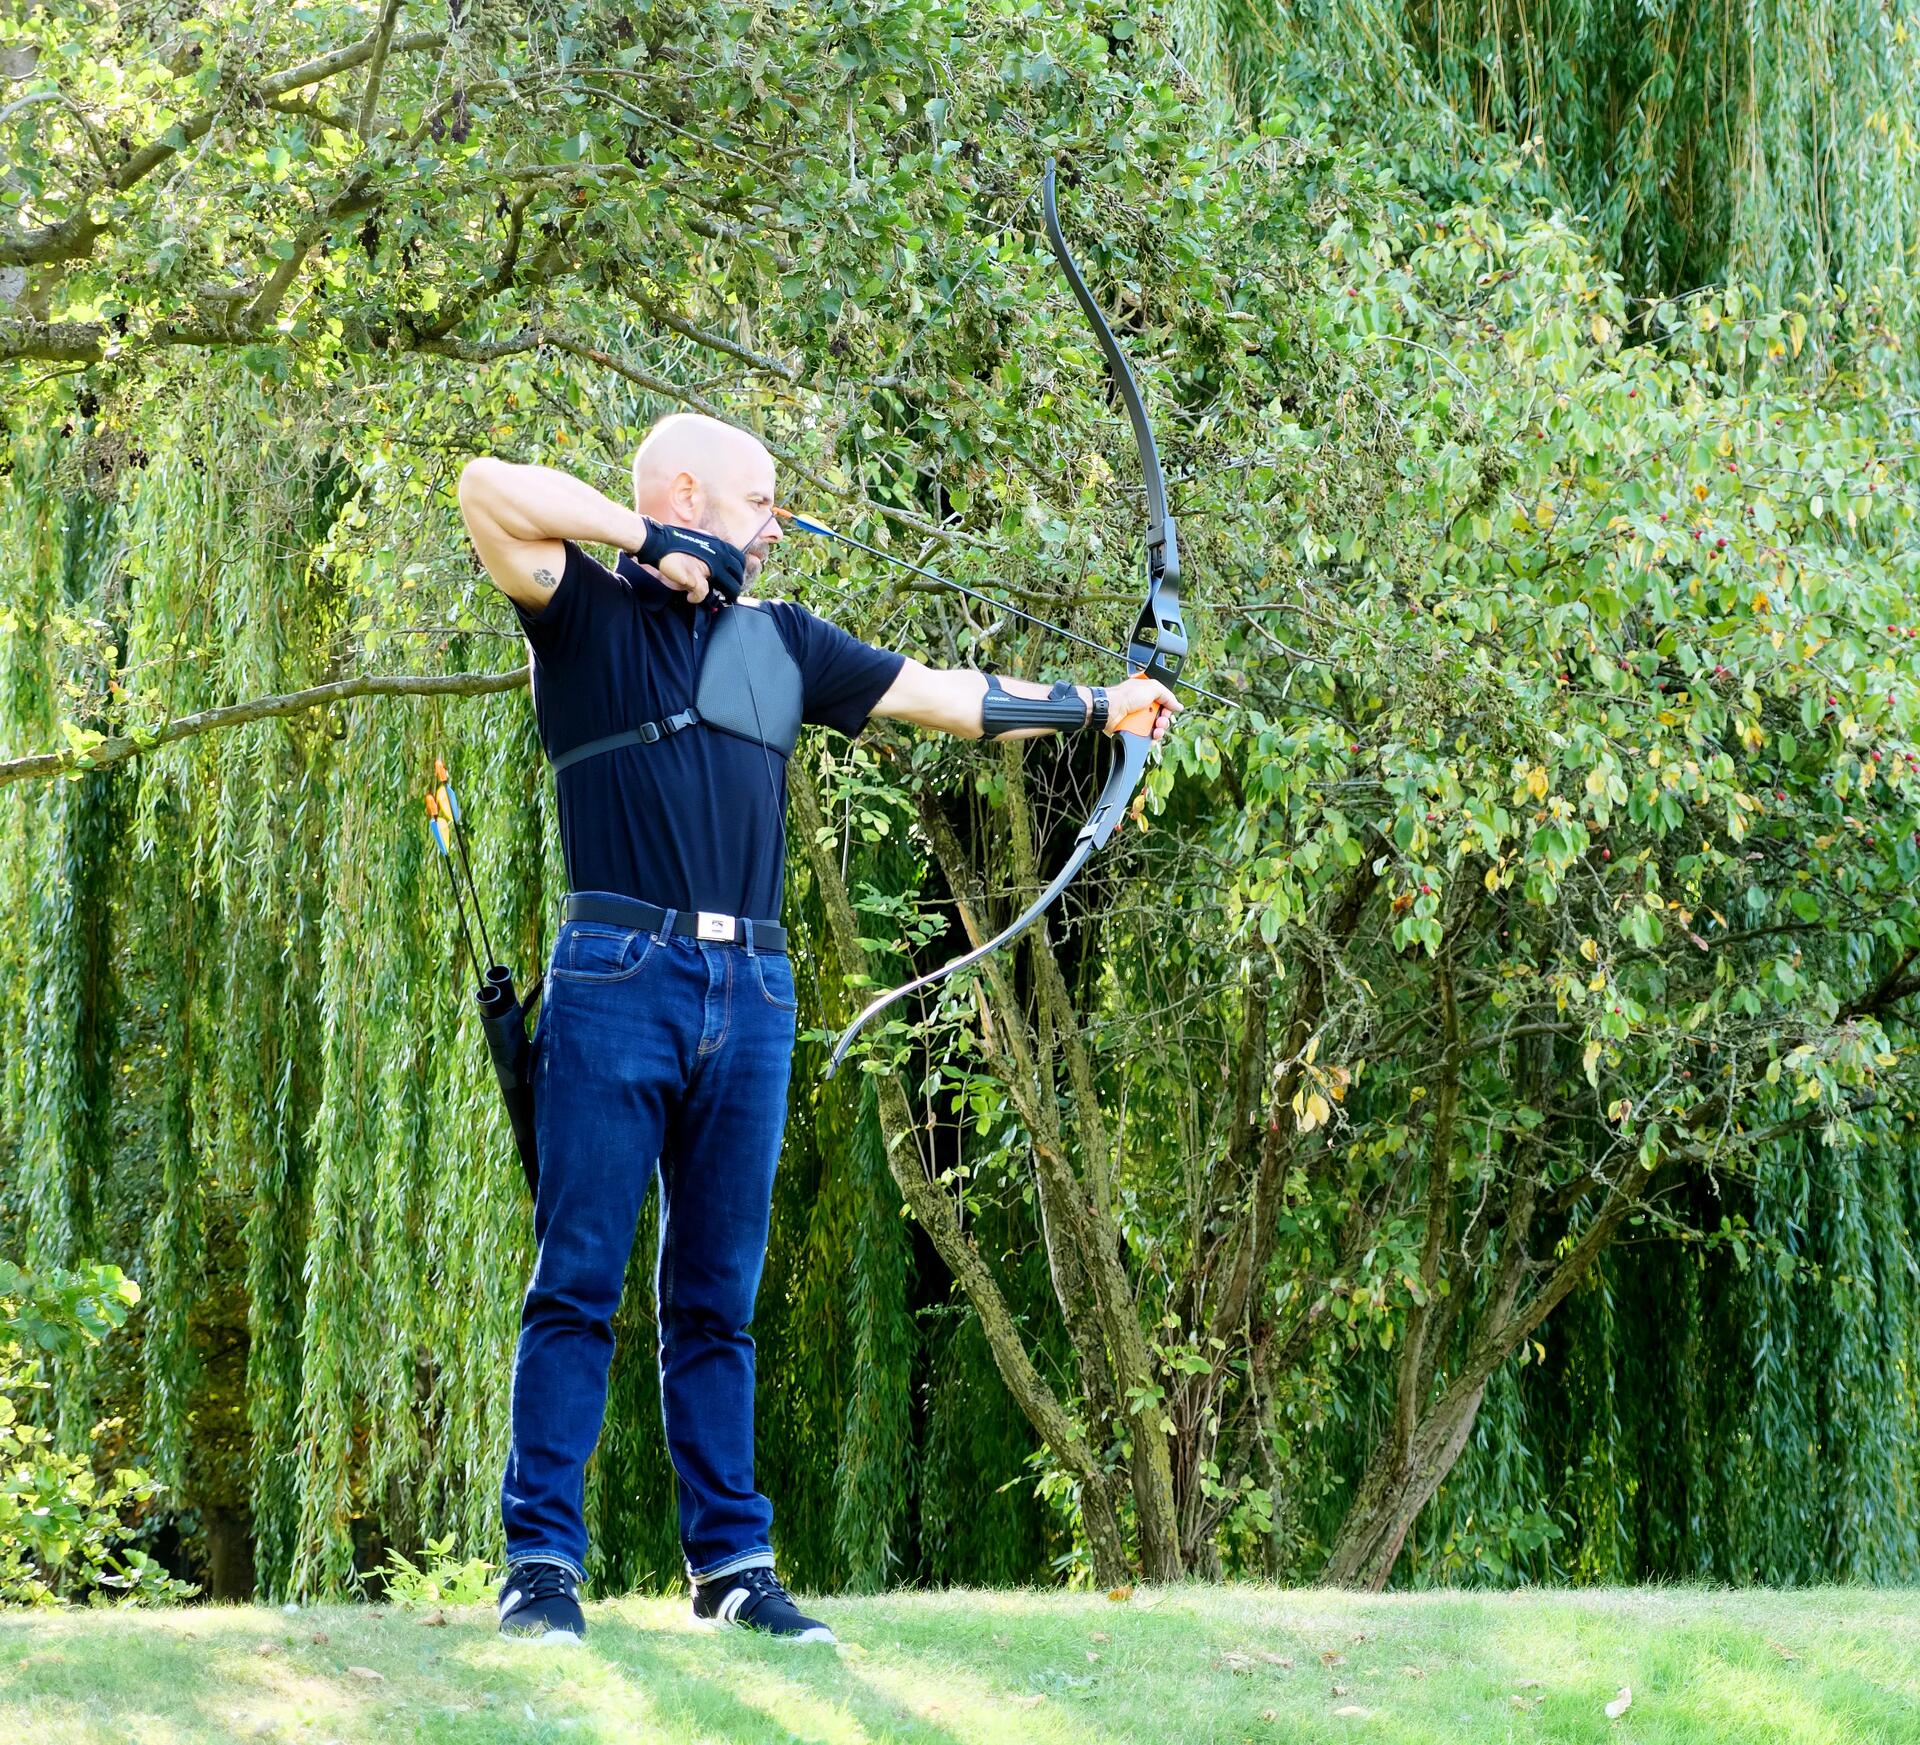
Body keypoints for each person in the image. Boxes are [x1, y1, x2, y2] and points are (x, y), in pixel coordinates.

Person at [456, 411, 1178, 1646]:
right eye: (759, 501)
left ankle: (732, 1565)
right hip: (619, 970)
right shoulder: (581, 611)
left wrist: (1102, 705)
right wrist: (650, 542)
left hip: (755, 993)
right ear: (687, 490)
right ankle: (541, 1566)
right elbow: (485, 485)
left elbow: (944, 695)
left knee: (715, 1300)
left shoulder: (776, 643)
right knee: (578, 1281)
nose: (775, 523)